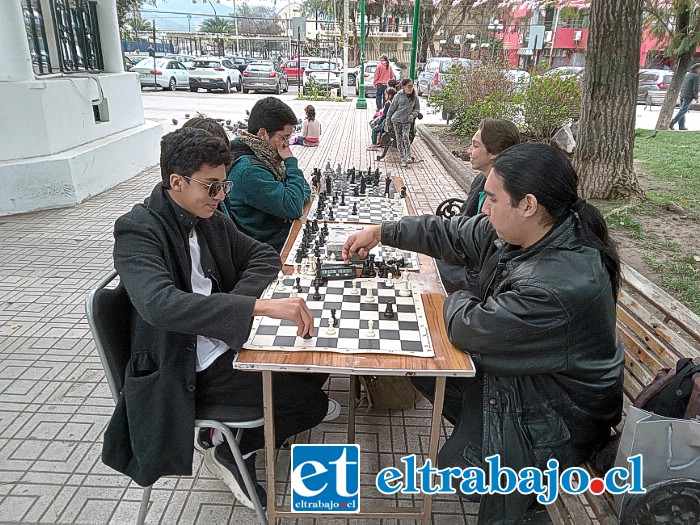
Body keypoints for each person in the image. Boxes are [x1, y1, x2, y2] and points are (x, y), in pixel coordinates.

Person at [342, 143, 624, 524]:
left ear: (528, 204)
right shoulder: (524, 232)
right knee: (421, 368)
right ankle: (480, 436)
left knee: (460, 465)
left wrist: (457, 293)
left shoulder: (558, 284)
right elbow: (451, 232)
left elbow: (465, 327)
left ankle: (525, 502)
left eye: (492, 198)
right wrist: (382, 231)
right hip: (531, 380)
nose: (483, 207)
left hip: (558, 415)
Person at [103, 128, 331, 510]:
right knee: (310, 401)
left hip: (221, 340)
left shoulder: (206, 214)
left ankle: (232, 440)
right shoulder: (137, 230)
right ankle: (232, 447)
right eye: (211, 187)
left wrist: (232, 307)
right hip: (181, 368)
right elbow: (160, 304)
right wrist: (254, 308)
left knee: (317, 363)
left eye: (223, 186)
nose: (221, 196)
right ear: (176, 182)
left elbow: (263, 256)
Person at [436, 119, 521, 293]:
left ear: (494, 152)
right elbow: (461, 223)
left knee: (425, 269)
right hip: (465, 256)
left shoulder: (511, 194)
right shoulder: (480, 180)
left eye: (475, 145)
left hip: (478, 275)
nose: (469, 151)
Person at [227, 97, 311, 253]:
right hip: (264, 250)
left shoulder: (265, 157)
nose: (286, 144)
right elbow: (294, 205)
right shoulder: (250, 170)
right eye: (284, 138)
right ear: (263, 134)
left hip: (274, 238)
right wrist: (290, 161)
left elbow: (303, 188)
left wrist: (291, 201)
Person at [384, 78, 420, 168]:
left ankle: (408, 156)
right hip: (397, 120)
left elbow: (417, 109)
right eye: (409, 86)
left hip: (407, 121)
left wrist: (413, 114)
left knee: (405, 136)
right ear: (403, 87)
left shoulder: (415, 97)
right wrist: (388, 122)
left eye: (412, 86)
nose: (411, 88)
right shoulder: (398, 96)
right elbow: (391, 109)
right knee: (399, 140)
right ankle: (403, 159)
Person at [670, 63, 700, 130]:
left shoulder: (688, 74)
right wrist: (696, 97)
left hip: (683, 94)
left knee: (682, 110)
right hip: (689, 96)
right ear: (697, 68)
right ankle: (672, 122)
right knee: (683, 110)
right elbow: (695, 88)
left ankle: (681, 126)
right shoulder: (696, 76)